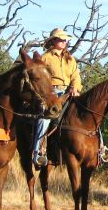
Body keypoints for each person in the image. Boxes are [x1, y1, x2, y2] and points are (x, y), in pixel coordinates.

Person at [32, 28, 82, 168]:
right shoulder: (45, 58)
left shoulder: (70, 59)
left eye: (65, 39)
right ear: (53, 41)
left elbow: (76, 76)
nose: (64, 41)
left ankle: (100, 148)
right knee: (44, 118)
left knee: (88, 111)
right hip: (51, 93)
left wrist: (75, 87)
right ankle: (38, 153)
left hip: (69, 92)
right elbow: (40, 78)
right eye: (61, 39)